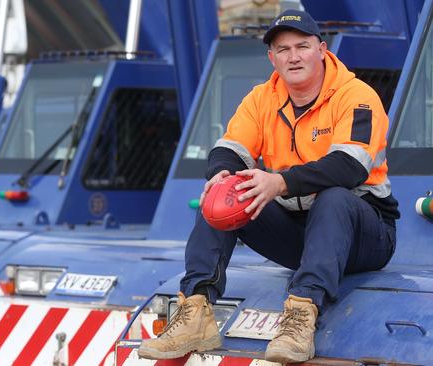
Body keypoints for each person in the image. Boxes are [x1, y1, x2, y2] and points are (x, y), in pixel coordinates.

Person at [138, 9, 399, 363]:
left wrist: (279, 182)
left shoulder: (356, 96)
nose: (293, 56)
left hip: (363, 234)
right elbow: (230, 149)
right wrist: (220, 175)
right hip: (302, 238)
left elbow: (350, 167)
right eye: (283, 49)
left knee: (334, 198)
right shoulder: (262, 98)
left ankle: (301, 318)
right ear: (271, 58)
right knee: (224, 195)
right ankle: (196, 310)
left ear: (322, 49)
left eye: (302, 46)